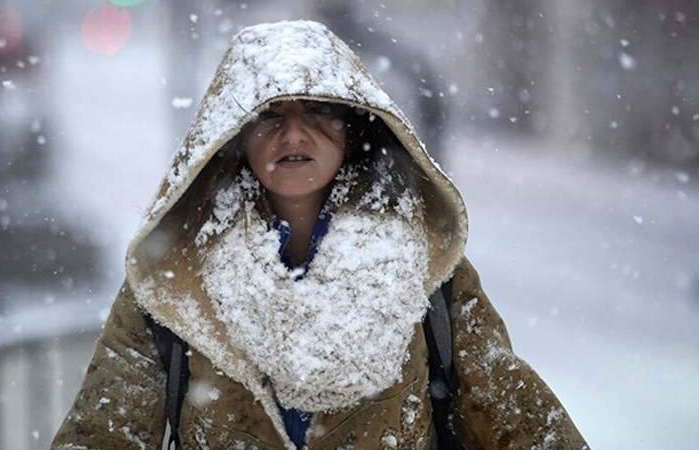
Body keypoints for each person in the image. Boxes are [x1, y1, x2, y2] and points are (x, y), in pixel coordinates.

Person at [50, 20, 590, 450]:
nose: (294, 134)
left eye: (318, 111)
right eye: (269, 116)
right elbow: (102, 433)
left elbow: (518, 419)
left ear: (354, 127)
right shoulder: (174, 282)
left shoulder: (424, 266)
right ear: (234, 137)